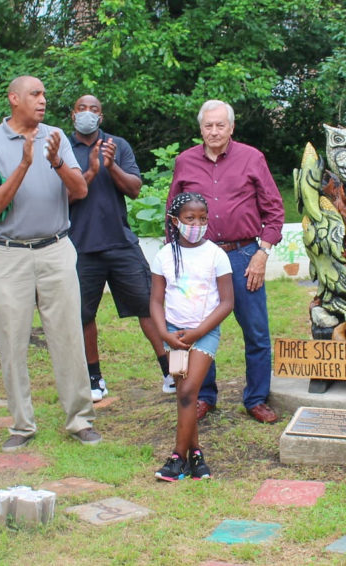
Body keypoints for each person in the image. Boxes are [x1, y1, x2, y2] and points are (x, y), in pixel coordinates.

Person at [0, 76, 100, 452]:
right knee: (11, 340)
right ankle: (21, 425)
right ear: (14, 99)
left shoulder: (56, 135)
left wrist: (57, 160)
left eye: (44, 94)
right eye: (35, 94)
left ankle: (80, 420)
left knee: (68, 335)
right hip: (8, 253)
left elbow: (79, 191)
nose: (43, 100)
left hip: (56, 249)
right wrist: (25, 164)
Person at [168, 100, 284, 424]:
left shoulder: (252, 158)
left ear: (231, 127)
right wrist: (175, 260)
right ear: (201, 128)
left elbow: (275, 211)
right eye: (209, 125)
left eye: (221, 125)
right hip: (198, 256)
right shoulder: (185, 161)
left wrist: (262, 253)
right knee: (197, 327)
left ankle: (257, 398)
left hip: (244, 255)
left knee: (256, 331)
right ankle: (204, 395)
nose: (214, 131)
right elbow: (171, 214)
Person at [67, 94, 172, 401]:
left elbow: (135, 189)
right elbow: (63, 197)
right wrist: (90, 170)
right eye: (82, 109)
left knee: (149, 306)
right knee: (82, 315)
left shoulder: (117, 144)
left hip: (120, 242)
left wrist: (110, 166)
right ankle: (94, 379)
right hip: (79, 247)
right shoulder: (62, 147)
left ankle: (170, 373)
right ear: (73, 114)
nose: (88, 113)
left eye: (94, 110)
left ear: (102, 117)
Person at [150, 193, 234, 481]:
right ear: (176, 221)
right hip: (173, 334)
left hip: (204, 333)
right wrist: (165, 334)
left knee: (188, 392)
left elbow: (226, 302)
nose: (197, 224)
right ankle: (196, 456)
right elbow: (155, 302)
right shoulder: (164, 255)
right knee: (184, 396)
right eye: (190, 218)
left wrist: (198, 332)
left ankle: (176, 458)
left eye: (202, 219)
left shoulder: (216, 255)